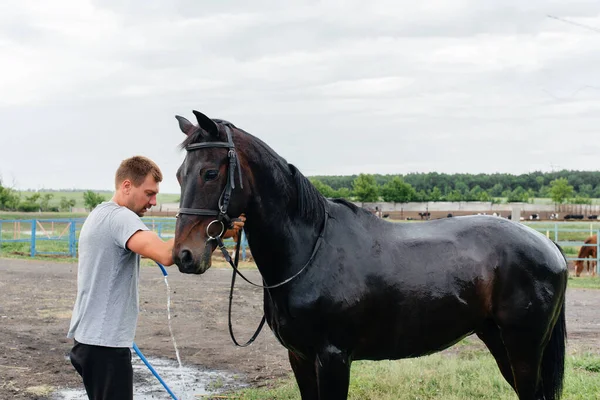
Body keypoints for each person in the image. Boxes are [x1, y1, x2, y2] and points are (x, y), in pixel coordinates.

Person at [66, 155, 244, 400]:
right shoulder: (121, 218)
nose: (153, 201)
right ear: (127, 185)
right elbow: (165, 254)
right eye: (149, 193)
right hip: (104, 346)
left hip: (90, 340)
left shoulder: (100, 214)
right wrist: (216, 228)